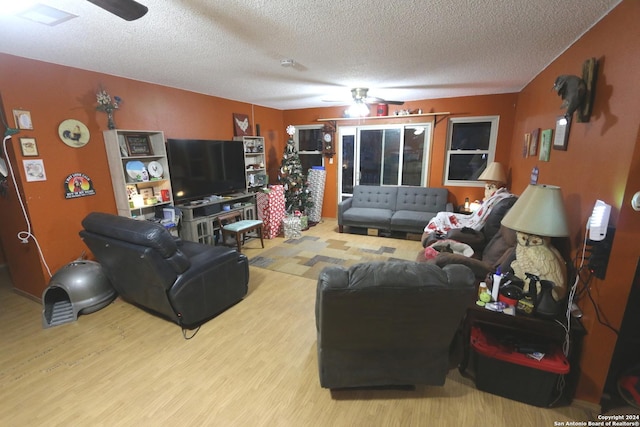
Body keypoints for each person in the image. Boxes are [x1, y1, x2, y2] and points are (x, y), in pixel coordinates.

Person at [423, 162, 513, 236]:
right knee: (441, 215)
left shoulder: (498, 200)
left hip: (471, 224)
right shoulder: (498, 198)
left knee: (442, 215)